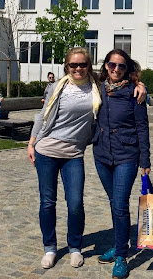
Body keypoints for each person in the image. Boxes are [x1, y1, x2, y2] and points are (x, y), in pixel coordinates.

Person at [27, 47, 100, 270]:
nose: (78, 69)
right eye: (73, 65)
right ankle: (50, 248)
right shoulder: (57, 87)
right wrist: (31, 143)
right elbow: (43, 115)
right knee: (47, 202)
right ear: (66, 67)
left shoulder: (97, 87)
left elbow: (123, 78)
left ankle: (75, 247)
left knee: (76, 203)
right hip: (47, 150)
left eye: (82, 64)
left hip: (74, 154)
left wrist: (140, 85)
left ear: (89, 65)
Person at [92, 49, 151, 279]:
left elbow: (142, 127)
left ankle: (121, 256)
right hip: (102, 155)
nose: (116, 69)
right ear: (105, 66)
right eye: (112, 65)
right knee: (113, 202)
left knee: (119, 204)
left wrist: (145, 160)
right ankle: (118, 245)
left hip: (127, 155)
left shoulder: (134, 93)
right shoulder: (98, 87)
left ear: (128, 69)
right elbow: (75, 76)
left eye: (121, 66)